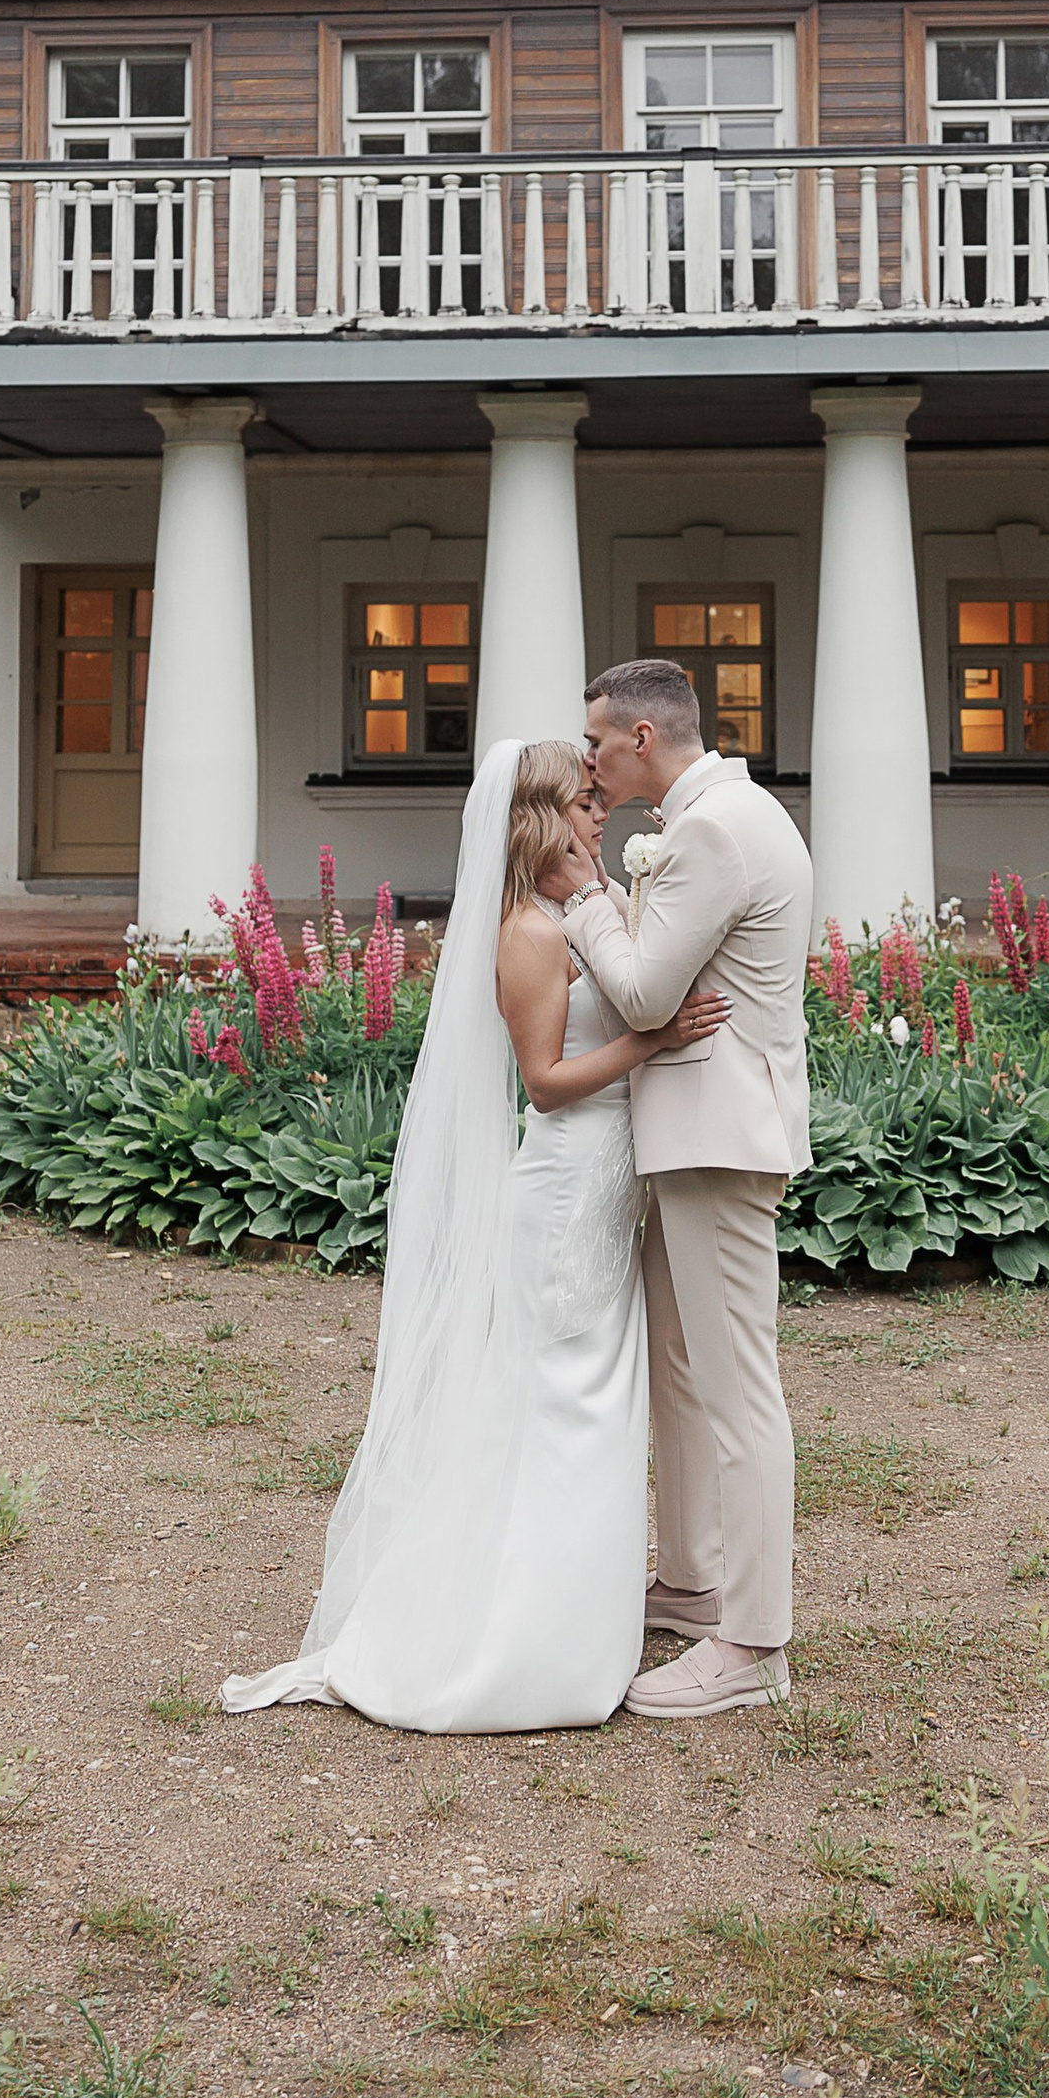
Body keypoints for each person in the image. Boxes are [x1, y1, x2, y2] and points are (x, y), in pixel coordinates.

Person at [220, 740, 727, 1731]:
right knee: (564, 1402)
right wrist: (654, 1043)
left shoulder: (571, 915)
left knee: (586, 1402)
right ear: (540, 819)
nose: (600, 819)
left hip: (603, 1187)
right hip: (564, 1189)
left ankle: (569, 1620)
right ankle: (523, 1646)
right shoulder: (525, 935)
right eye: (584, 805)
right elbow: (544, 1081)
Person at [556, 658, 816, 1719]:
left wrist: (586, 903)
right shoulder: (723, 814)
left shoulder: (712, 829)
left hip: (719, 1133)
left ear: (644, 742)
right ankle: (693, 1582)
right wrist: (622, 899)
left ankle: (751, 1645)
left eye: (597, 743)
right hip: (699, 1128)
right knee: (684, 1373)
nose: (589, 759)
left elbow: (642, 990)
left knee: (734, 1384)